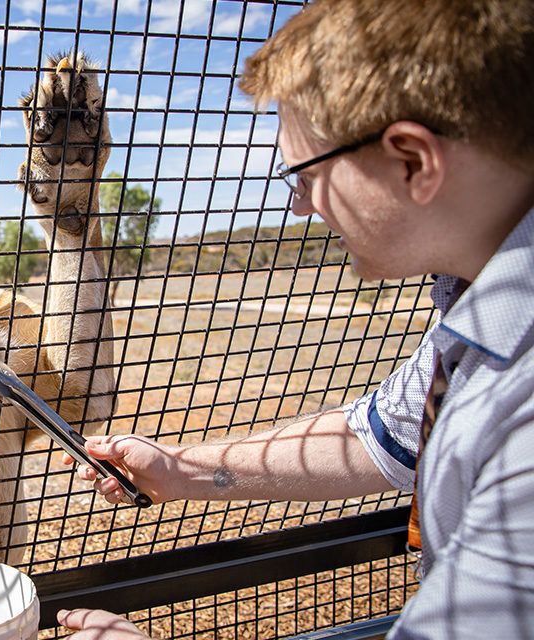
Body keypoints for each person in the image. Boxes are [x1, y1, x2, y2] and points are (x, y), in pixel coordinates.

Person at [57, 0, 534, 638]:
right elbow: (385, 435)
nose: (302, 208)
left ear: (413, 162)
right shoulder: (479, 308)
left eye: (304, 176)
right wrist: (180, 472)